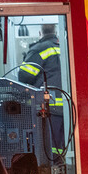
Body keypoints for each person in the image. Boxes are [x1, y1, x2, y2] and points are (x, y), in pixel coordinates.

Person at [18, 23, 64, 161]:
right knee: (62, 144)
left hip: (49, 108)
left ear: (40, 33)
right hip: (66, 108)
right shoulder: (64, 48)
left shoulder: (39, 49)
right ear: (55, 31)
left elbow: (24, 76)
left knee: (49, 146)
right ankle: (62, 168)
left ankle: (52, 171)